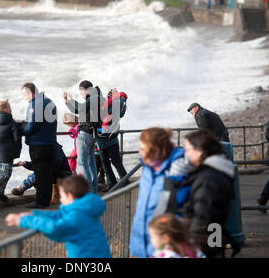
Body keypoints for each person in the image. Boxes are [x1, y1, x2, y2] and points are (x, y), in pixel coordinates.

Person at [5, 175, 112, 258]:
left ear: (70, 196)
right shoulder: (85, 209)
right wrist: (35, 214)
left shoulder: (77, 217)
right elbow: (60, 215)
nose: (60, 199)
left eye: (62, 196)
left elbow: (53, 228)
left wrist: (23, 220)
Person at [130, 127, 185, 258]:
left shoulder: (179, 170)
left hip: (167, 247)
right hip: (141, 244)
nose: (139, 152)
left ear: (156, 149)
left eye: (143, 149)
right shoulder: (148, 170)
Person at [182, 129, 235, 258]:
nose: (185, 154)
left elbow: (204, 219)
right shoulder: (215, 172)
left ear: (200, 151)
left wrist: (188, 247)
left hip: (204, 245)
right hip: (213, 240)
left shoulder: (208, 179)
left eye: (188, 150)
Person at [64, 80, 106, 193]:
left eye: (81, 91)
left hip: (85, 133)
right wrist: (68, 102)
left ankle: (89, 189)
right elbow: (77, 109)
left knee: (82, 163)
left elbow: (79, 109)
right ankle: (93, 188)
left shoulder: (93, 98)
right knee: (91, 162)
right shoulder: (96, 98)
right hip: (91, 134)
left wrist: (71, 99)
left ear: (85, 90)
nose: (81, 94)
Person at [21, 82, 57, 209]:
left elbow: (32, 127)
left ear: (30, 93)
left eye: (25, 95)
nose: (25, 98)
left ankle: (40, 201)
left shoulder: (36, 104)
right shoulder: (48, 101)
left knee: (41, 174)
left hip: (39, 144)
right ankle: (45, 200)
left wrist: (20, 129)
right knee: (46, 173)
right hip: (49, 142)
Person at [95, 89, 128, 191]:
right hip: (113, 139)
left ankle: (112, 184)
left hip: (102, 140)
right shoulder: (120, 107)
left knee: (106, 164)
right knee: (116, 163)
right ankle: (125, 182)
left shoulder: (106, 106)